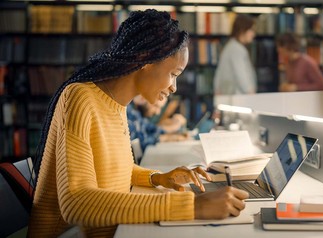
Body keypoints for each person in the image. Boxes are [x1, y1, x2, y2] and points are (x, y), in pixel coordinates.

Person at [28, 10, 248, 238]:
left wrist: (158, 178)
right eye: (173, 73)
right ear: (146, 60)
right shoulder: (80, 98)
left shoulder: (117, 105)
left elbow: (114, 169)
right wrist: (193, 206)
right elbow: (76, 203)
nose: (174, 87)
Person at [213, 14, 257, 95]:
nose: (253, 34)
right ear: (242, 30)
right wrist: (251, 94)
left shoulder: (230, 47)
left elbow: (218, 77)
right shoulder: (237, 50)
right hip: (239, 100)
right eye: (251, 30)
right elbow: (242, 76)